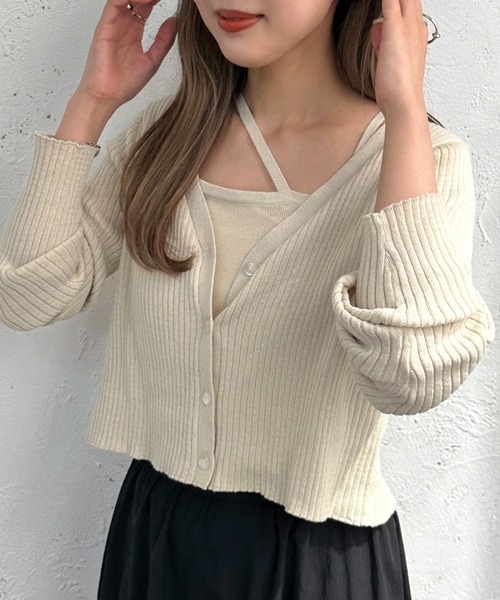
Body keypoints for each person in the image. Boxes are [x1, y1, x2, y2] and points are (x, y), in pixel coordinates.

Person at [0, 0, 495, 597]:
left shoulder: (422, 157)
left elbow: (409, 377)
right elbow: (27, 298)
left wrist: (405, 112)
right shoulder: (165, 141)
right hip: (156, 537)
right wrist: (92, 102)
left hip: (315, 560)